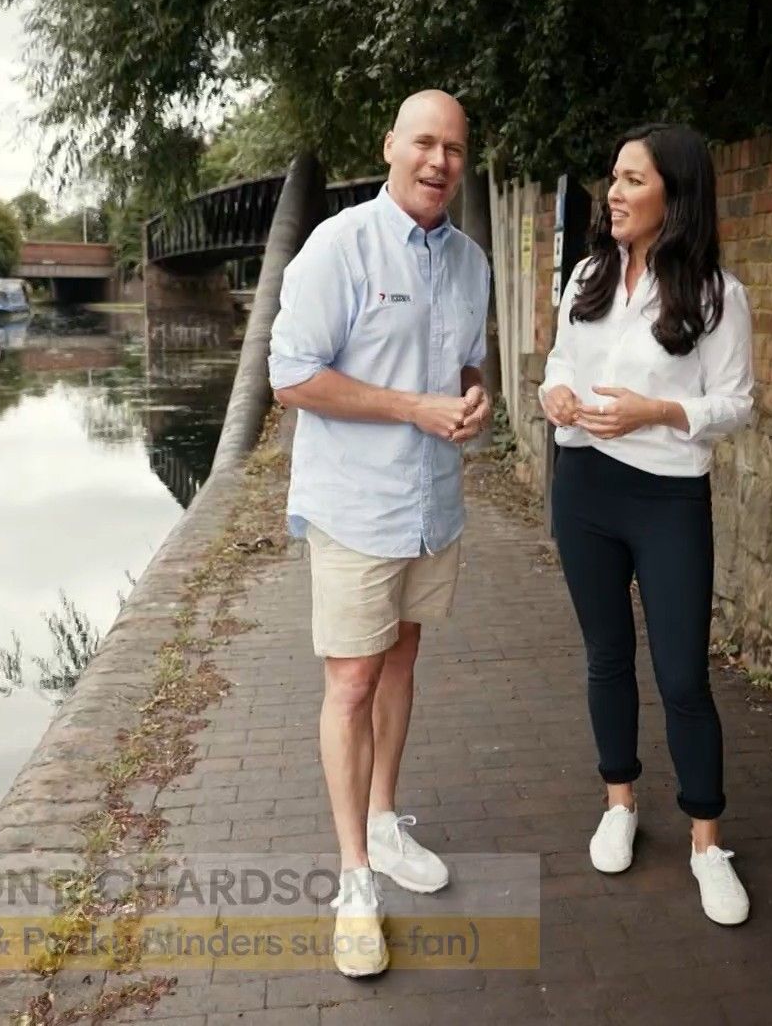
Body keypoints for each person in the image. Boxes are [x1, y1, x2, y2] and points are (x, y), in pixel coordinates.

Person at [267, 90, 493, 977]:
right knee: (353, 681)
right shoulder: (339, 246)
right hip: (357, 507)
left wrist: (473, 400)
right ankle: (355, 880)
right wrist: (411, 407)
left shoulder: (471, 261)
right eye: (424, 143)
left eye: (455, 149)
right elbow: (290, 376)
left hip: (432, 505)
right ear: (390, 144)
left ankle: (386, 822)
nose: (439, 161)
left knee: (402, 662)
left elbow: (465, 363)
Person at [539, 123, 755, 925]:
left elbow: (736, 404)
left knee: (682, 675)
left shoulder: (718, 295)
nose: (615, 192)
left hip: (667, 499)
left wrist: (657, 412)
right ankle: (620, 802)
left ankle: (707, 843)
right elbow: (560, 363)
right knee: (606, 656)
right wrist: (555, 396)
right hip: (584, 488)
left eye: (634, 179)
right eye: (615, 177)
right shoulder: (588, 274)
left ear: (677, 194)